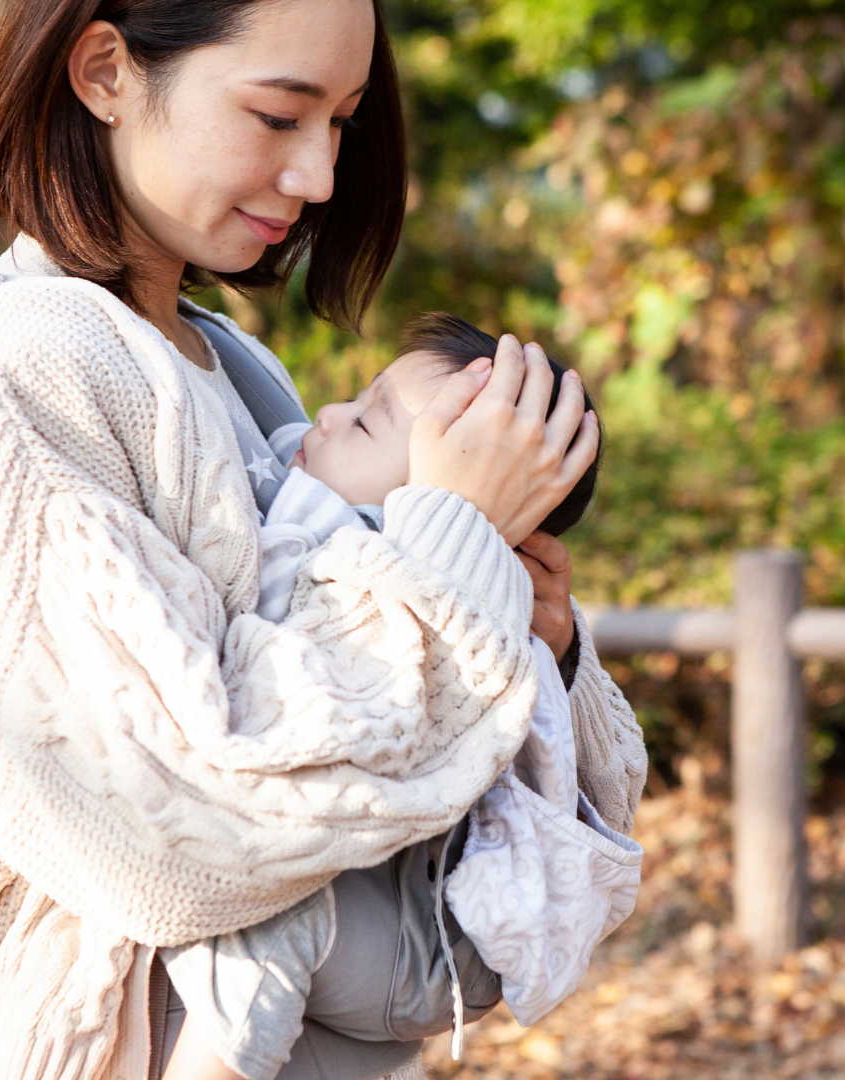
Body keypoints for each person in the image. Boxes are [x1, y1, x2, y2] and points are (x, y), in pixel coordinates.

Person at [0, 2, 648, 1080]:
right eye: (279, 113)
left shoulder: (225, 363)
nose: (320, 176)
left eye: (339, 122)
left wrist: (532, 630)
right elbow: (175, 820)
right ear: (105, 73)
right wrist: (454, 542)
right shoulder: (24, 365)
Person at [158, 312, 645, 1080]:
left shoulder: (434, 584)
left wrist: (548, 639)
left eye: (368, 421)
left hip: (434, 941)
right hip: (395, 930)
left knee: (265, 916)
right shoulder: (357, 524)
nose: (325, 415)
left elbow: (602, 787)